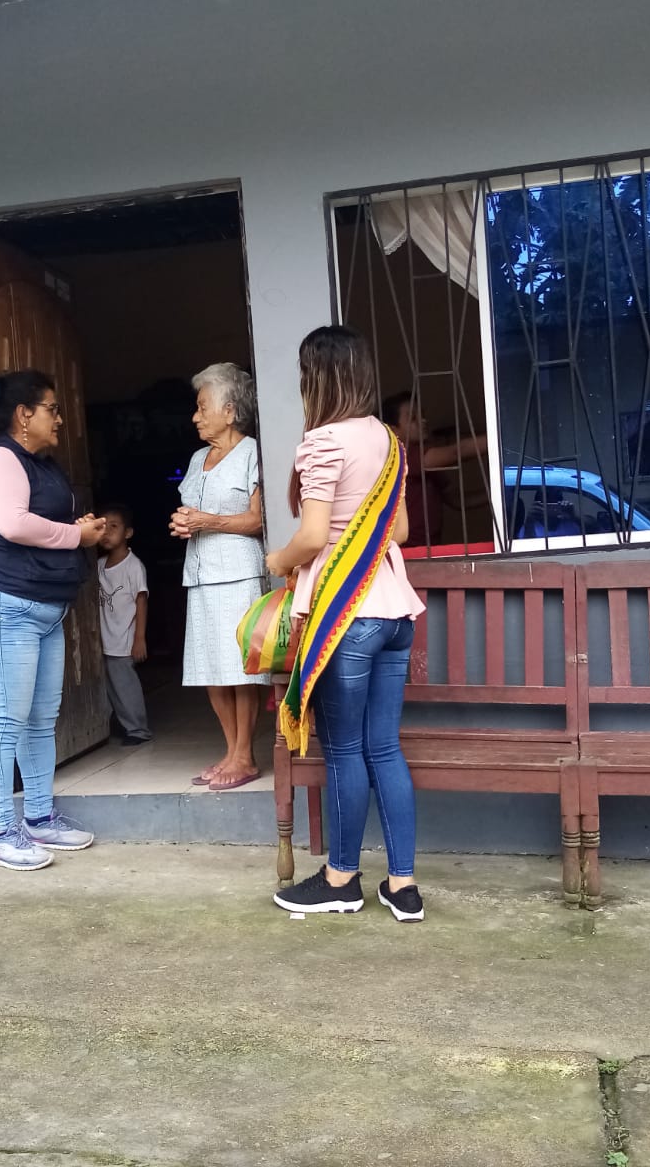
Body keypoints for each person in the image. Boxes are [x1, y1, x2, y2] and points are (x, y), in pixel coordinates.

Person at [268, 327, 428, 922]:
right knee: (384, 747)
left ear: (315, 378)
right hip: (394, 612)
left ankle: (340, 879)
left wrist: (278, 560)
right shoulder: (390, 442)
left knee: (343, 752)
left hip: (347, 615)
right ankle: (403, 886)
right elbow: (400, 531)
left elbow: (312, 536)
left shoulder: (322, 442)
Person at [0, 371, 104, 872]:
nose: (59, 418)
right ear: (24, 414)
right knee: (5, 721)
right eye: (52, 408)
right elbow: (13, 524)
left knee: (41, 721)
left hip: (44, 610)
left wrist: (77, 529)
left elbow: (40, 523)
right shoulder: (0, 459)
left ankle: (40, 817)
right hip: (5, 608)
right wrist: (77, 536)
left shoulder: (39, 464)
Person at [170, 362, 269, 791]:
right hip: (200, 573)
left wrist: (206, 521)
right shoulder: (198, 459)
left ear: (229, 411)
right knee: (209, 667)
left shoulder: (252, 453)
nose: (196, 416)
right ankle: (230, 750)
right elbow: (194, 511)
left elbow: (258, 520)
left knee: (240, 668)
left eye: (202, 406)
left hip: (239, 573)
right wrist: (183, 523)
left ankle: (245, 755)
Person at [381, 391, 489, 551]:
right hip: (407, 552)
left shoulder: (425, 461)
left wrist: (495, 496)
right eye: (413, 418)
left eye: (422, 415)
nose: (423, 421)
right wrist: (499, 439)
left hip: (428, 549)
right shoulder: (404, 456)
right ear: (394, 430)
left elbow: (456, 500)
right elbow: (456, 452)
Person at [96, 504, 152, 747]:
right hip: (104, 638)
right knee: (111, 686)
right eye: (102, 527)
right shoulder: (99, 565)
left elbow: (141, 601)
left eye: (114, 526)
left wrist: (139, 638)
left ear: (128, 533)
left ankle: (138, 729)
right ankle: (121, 722)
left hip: (124, 639)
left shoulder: (133, 566)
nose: (107, 532)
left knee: (125, 685)